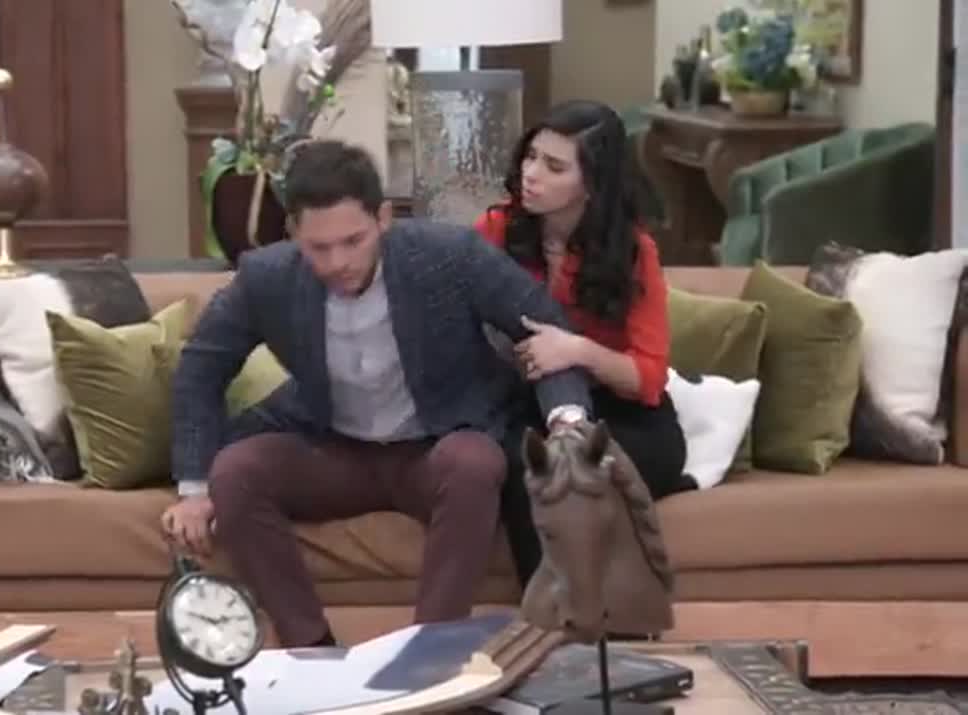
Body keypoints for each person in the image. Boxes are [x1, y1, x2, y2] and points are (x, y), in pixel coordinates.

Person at [161, 139, 593, 648]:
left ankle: (430, 652)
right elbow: (202, 365)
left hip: (434, 446)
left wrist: (568, 424)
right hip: (331, 448)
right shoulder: (266, 277)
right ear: (293, 232)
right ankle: (312, 652)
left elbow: (542, 326)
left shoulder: (448, 255)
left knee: (475, 462)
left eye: (353, 241)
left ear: (383, 218)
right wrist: (193, 490)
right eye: (319, 247)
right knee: (234, 473)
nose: (338, 261)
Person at [473, 100, 696, 586]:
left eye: (554, 167)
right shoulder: (495, 230)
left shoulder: (633, 251)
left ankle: (597, 608)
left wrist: (576, 351)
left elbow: (649, 377)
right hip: (527, 404)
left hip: (620, 410)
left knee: (594, 467)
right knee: (530, 469)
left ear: (592, 183)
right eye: (531, 156)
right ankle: (551, 609)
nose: (531, 174)